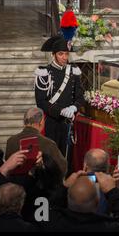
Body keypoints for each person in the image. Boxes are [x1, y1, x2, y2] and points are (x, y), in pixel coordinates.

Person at [34, 35, 84, 170]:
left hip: (68, 122)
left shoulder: (73, 72)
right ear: (53, 54)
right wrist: (60, 111)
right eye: (61, 54)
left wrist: (74, 107)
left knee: (67, 156)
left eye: (66, 54)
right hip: (51, 122)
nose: (64, 57)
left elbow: (80, 97)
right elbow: (41, 102)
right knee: (51, 157)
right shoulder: (44, 73)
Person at [40, 171, 119, 232]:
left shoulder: (51, 224)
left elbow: (44, 209)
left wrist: (64, 187)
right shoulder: (108, 228)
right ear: (97, 202)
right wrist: (112, 191)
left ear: (67, 199)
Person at [5, 107, 67, 176]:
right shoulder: (49, 144)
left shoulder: (10, 141)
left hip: (14, 185)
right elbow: (62, 168)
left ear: (24, 122)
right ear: (41, 122)